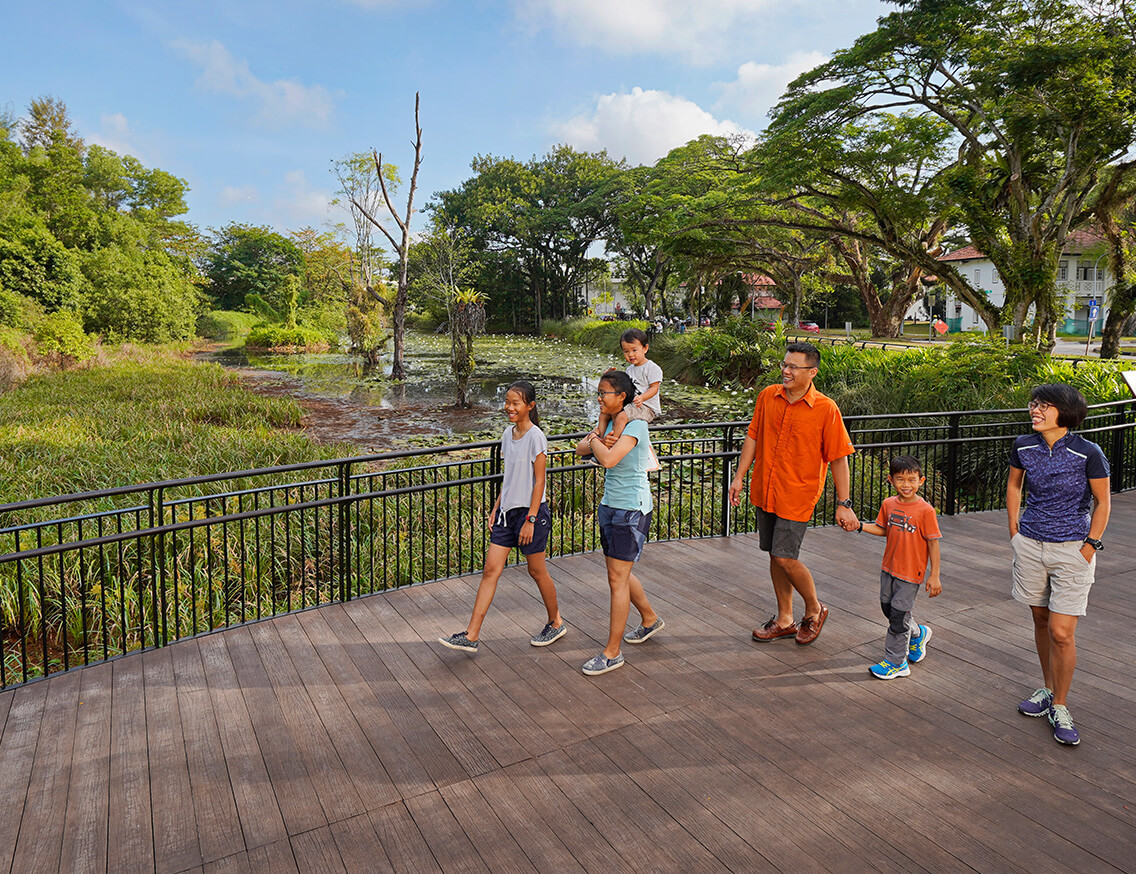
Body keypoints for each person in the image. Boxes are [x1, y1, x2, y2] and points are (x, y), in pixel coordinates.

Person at [728, 342, 857, 645]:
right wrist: (739, 477)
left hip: (797, 494)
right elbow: (753, 437)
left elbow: (839, 458)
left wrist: (844, 503)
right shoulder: (767, 397)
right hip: (766, 490)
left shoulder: (826, 409)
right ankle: (785, 619)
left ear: (812, 372)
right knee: (775, 554)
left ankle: (814, 608)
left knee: (784, 557)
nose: (785, 371)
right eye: (784, 364)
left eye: (793, 367)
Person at [1007, 384, 1110, 746]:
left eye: (1044, 406)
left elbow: (1102, 501)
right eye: (1034, 404)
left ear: (1064, 413)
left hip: (1072, 550)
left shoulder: (1089, 453)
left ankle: (1061, 706)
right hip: (1031, 545)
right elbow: (1015, 486)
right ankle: (1048, 689)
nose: (1034, 410)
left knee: (1062, 632)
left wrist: (1090, 546)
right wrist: (1014, 531)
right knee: (1040, 619)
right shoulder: (1023, 445)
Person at [438, 381, 566, 654]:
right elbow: (509, 478)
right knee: (490, 570)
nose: (509, 407)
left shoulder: (536, 437)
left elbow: (539, 482)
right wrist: (497, 507)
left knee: (536, 571)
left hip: (531, 513)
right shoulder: (507, 435)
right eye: (507, 402)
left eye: (515, 403)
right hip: (507, 514)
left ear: (530, 406)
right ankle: (471, 635)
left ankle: (555, 622)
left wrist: (531, 519)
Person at [575, 369, 664, 675]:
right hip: (610, 506)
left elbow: (608, 459)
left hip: (631, 509)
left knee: (617, 578)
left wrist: (597, 443)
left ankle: (612, 653)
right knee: (618, 573)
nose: (599, 397)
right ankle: (650, 618)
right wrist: (597, 439)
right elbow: (580, 450)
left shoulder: (636, 425)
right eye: (598, 392)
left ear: (622, 396)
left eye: (604, 393)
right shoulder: (611, 423)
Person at [856, 456, 942, 679]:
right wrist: (860, 526)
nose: (906, 485)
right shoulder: (888, 504)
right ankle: (918, 633)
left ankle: (896, 662)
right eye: (900, 479)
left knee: (897, 616)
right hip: (889, 568)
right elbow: (883, 529)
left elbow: (933, 543)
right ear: (890, 480)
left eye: (912, 480)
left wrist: (935, 575)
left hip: (911, 573)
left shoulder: (926, 511)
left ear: (921, 480)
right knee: (888, 609)